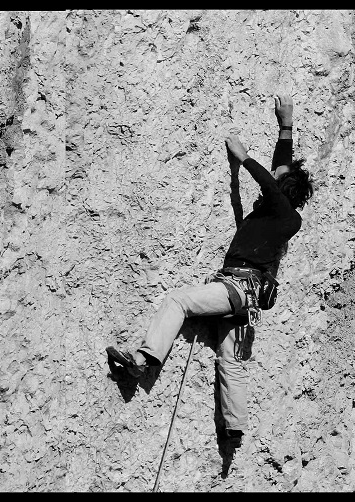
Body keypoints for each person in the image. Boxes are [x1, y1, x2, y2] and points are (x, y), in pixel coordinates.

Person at [107, 95, 315, 442]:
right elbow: (280, 171)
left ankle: (144, 360)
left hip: (235, 289)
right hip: (243, 295)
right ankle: (234, 428)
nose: (276, 171)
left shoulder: (287, 217)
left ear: (282, 189)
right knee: (230, 360)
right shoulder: (279, 212)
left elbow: (271, 180)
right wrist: (285, 125)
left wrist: (243, 156)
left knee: (178, 301)